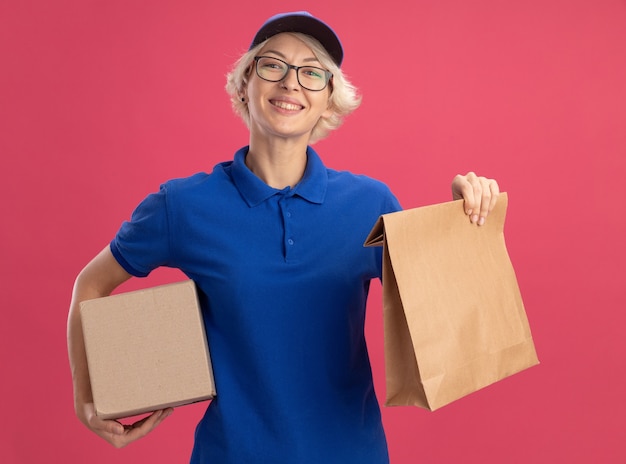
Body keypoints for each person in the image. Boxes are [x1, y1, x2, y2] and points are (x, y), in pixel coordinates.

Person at [67, 11, 499, 463]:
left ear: (329, 102)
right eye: (273, 65)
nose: (291, 83)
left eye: (312, 73)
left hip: (351, 452)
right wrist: (87, 396)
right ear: (244, 85)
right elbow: (91, 284)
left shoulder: (370, 204)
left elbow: (441, 317)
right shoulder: (184, 206)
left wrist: (465, 220)